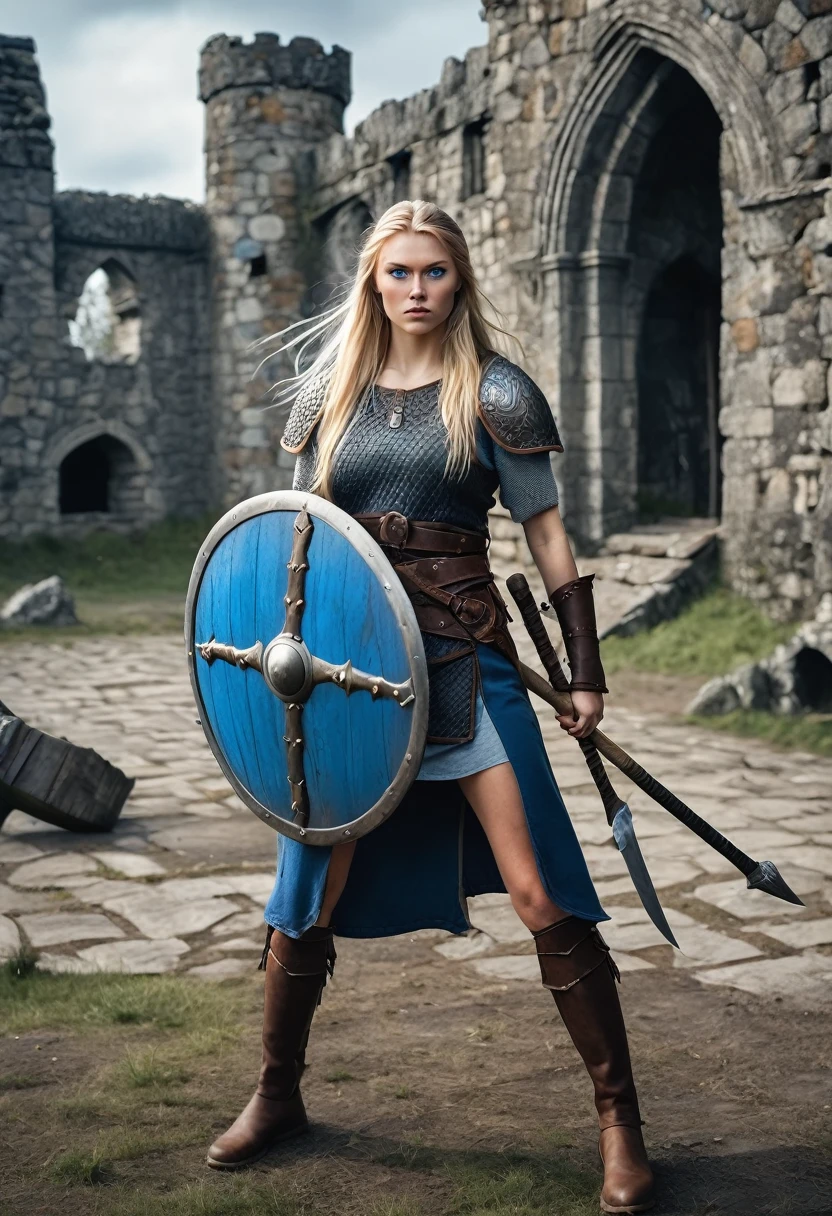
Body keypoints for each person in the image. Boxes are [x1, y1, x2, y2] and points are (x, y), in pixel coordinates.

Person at [206, 200, 655, 1215]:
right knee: (307, 897)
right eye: (398, 273)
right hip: (340, 673)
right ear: (372, 280)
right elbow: (296, 534)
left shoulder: (494, 393)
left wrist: (584, 672)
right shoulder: (331, 396)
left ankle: (619, 1121)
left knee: (542, 892)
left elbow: (548, 542)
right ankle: (277, 1094)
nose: (416, 291)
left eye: (434, 273)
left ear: (460, 280)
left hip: (461, 656)